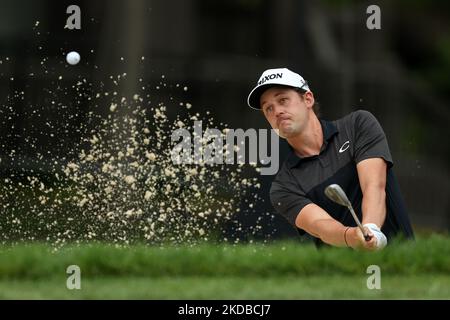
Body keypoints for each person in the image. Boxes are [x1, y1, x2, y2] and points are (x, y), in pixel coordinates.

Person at [247, 68, 414, 250]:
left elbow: (374, 186)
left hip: (403, 264)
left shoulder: (358, 126)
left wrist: (372, 228)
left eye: (283, 100)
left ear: (308, 99)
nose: (277, 111)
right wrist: (354, 237)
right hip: (342, 274)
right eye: (268, 108)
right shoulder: (284, 186)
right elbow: (321, 225)